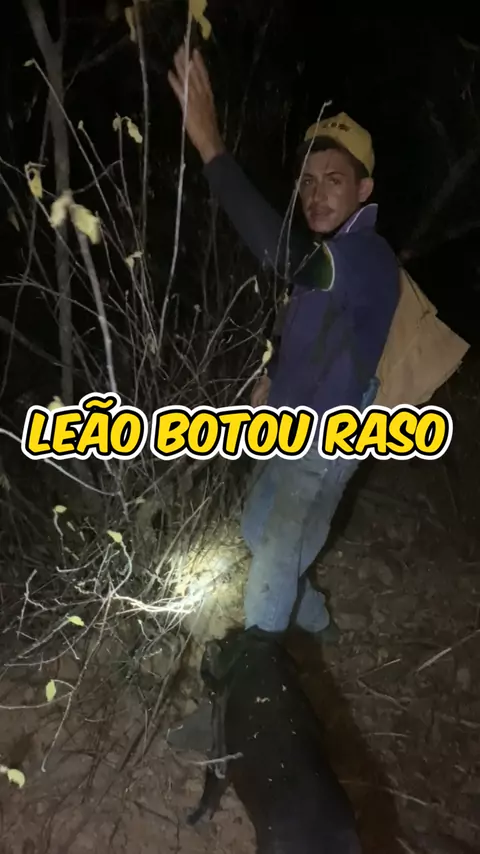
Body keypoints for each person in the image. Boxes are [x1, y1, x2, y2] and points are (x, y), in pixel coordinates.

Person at [168, 45, 400, 640]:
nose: (317, 194)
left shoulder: (366, 256)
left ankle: (259, 665)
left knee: (275, 551)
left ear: (364, 189)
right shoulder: (329, 256)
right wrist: (273, 375)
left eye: (335, 181)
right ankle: (315, 618)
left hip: (330, 434)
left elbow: (283, 257)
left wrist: (212, 150)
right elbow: (300, 318)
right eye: (309, 182)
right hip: (292, 419)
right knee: (257, 529)